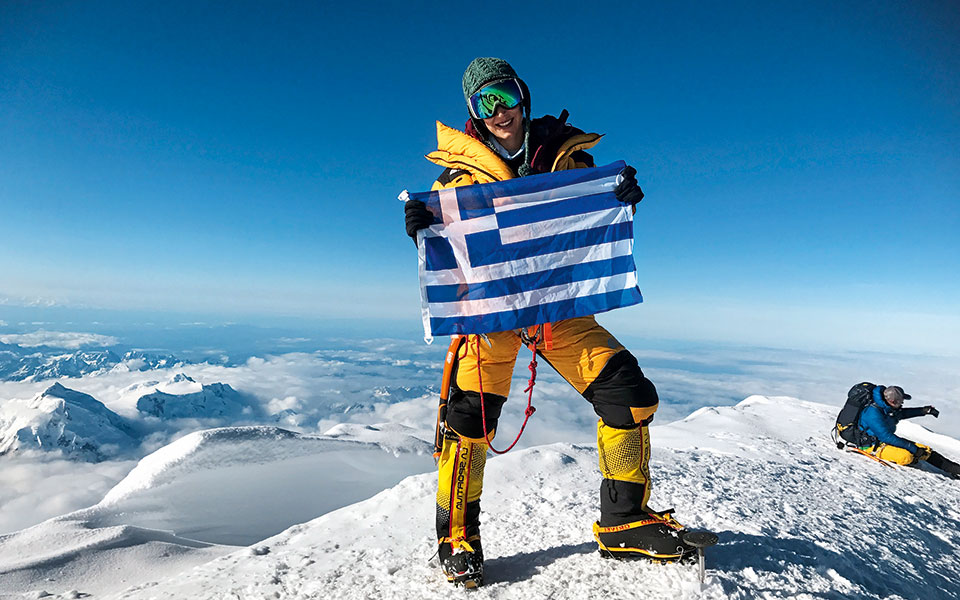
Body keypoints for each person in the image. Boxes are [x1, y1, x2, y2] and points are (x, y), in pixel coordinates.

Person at [404, 57, 694, 589]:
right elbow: (456, 254)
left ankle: (624, 521)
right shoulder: (456, 176)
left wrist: (620, 200)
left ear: (522, 95)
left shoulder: (569, 158)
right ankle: (457, 537)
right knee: (470, 420)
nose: (498, 111)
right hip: (490, 316)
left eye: (504, 96)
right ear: (472, 113)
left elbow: (584, 230)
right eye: (483, 102)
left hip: (556, 311)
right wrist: (424, 231)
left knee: (627, 393)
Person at [857, 384, 959, 478]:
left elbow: (903, 413)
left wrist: (923, 410)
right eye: (901, 401)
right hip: (870, 445)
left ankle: (955, 469)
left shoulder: (887, 408)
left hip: (882, 441)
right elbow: (886, 437)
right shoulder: (873, 413)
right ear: (893, 401)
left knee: (925, 451)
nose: (902, 403)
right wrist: (913, 449)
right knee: (907, 457)